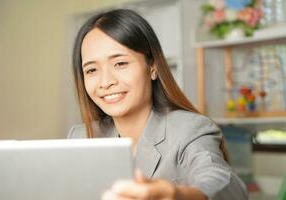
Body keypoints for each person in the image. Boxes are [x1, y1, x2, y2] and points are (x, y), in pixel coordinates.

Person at [69, 8, 248, 200]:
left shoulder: (189, 130)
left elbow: (225, 184)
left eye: (120, 63)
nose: (106, 82)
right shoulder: (81, 137)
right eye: (92, 70)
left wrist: (178, 195)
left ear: (152, 67)